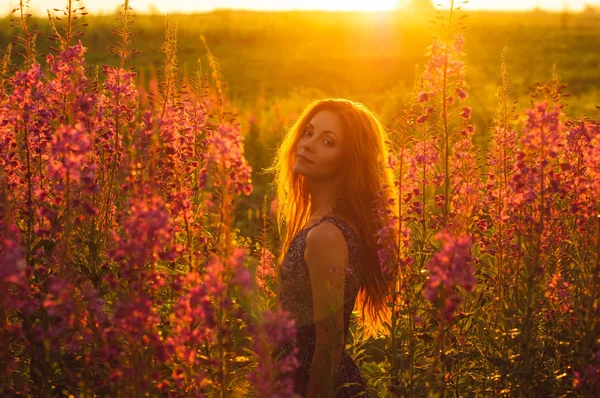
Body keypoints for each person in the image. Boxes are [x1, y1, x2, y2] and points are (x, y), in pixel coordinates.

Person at [267, 98, 398, 397]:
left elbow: (330, 345)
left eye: (327, 141)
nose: (308, 144)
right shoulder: (323, 222)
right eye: (308, 132)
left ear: (349, 160)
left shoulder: (325, 235)